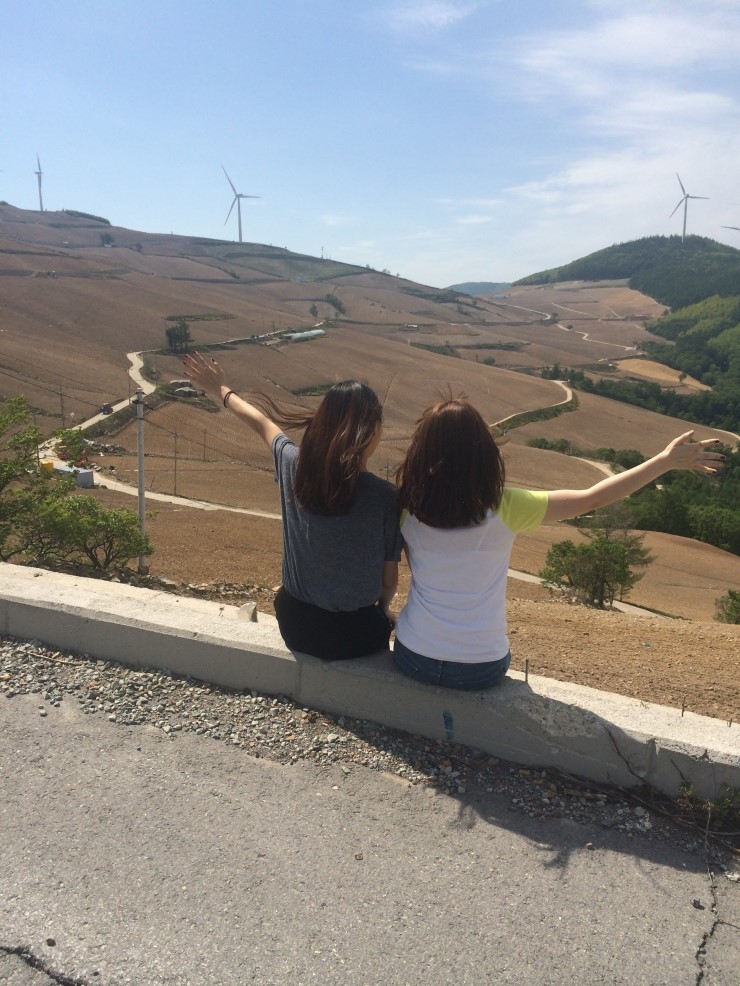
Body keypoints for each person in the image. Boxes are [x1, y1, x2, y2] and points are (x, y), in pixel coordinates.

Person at [393, 396, 724, 691]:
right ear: (483, 454)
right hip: (480, 667)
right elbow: (593, 499)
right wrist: (664, 461)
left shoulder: (405, 507)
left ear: (420, 453)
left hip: (414, 657)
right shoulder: (506, 506)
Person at [182, 352, 402, 660]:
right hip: (355, 635)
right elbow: (388, 581)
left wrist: (221, 389)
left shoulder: (293, 465)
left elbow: (262, 423)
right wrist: (384, 611)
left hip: (296, 626)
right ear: (374, 431)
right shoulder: (385, 496)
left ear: (323, 422)